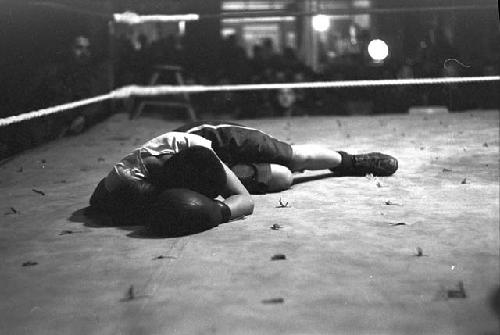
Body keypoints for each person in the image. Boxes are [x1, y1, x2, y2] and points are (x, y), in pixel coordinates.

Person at [89, 121, 398, 235]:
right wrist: (206, 210)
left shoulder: (197, 154)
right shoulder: (125, 186)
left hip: (217, 142)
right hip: (185, 171)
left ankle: (350, 161)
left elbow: (245, 202)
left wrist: (219, 212)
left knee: (291, 157)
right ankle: (257, 174)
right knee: (282, 178)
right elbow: (97, 200)